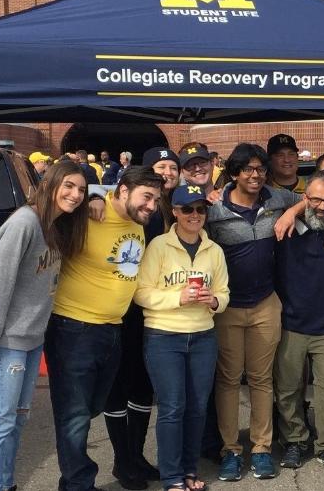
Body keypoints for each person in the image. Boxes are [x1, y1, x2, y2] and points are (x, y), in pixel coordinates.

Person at [44, 167, 163, 491]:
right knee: (74, 416)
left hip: (112, 330)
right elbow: (50, 207)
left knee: (93, 407)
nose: (152, 205)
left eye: (156, 199)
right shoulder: (87, 214)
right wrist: (94, 198)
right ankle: (77, 484)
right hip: (74, 330)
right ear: (122, 191)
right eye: (146, 197)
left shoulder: (137, 223)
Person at [0, 161, 89, 491]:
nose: (75, 194)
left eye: (81, 189)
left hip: (32, 339)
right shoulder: (24, 223)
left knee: (17, 420)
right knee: (0, 421)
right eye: (68, 186)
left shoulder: (54, 225)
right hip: (8, 342)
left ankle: (4, 483)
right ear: (50, 183)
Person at [203, 143, 300, 481]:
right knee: (228, 380)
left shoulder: (276, 199)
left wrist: (292, 210)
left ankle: (260, 448)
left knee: (261, 380)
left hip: (265, 304)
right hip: (227, 307)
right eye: (248, 170)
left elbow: (312, 196)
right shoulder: (213, 209)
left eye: (260, 169)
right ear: (234, 173)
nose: (256, 175)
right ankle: (230, 450)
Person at [135, 185, 230, 491]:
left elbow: (224, 293)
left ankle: (189, 470)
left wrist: (213, 301)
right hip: (164, 336)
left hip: (202, 336)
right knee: (173, 406)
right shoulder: (159, 246)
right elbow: (141, 293)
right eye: (187, 209)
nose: (195, 215)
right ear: (174, 212)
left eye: (200, 209)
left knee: (198, 407)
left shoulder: (214, 250)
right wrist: (178, 297)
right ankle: (172, 476)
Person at [98, 147, 182, 490]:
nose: (166, 172)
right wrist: (94, 197)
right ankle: (122, 460)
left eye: (171, 167)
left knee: (142, 385)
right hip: (113, 310)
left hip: (148, 311)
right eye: (160, 167)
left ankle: (135, 456)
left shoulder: (172, 205)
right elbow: (99, 195)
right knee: (117, 385)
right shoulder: (113, 204)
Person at [273, 171, 324, 472]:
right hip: (290, 322)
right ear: (304, 198)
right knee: (287, 388)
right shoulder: (284, 226)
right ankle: (295, 440)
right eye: (315, 199)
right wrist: (292, 210)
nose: (322, 206)